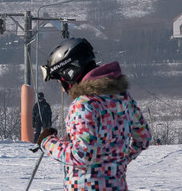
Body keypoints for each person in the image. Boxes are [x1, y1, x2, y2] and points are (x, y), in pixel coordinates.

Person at [37, 37, 151, 189]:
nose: (63, 89)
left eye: (60, 81)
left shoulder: (84, 104)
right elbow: (143, 137)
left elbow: (82, 155)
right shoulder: (123, 98)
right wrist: (117, 162)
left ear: (70, 73)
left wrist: (47, 142)